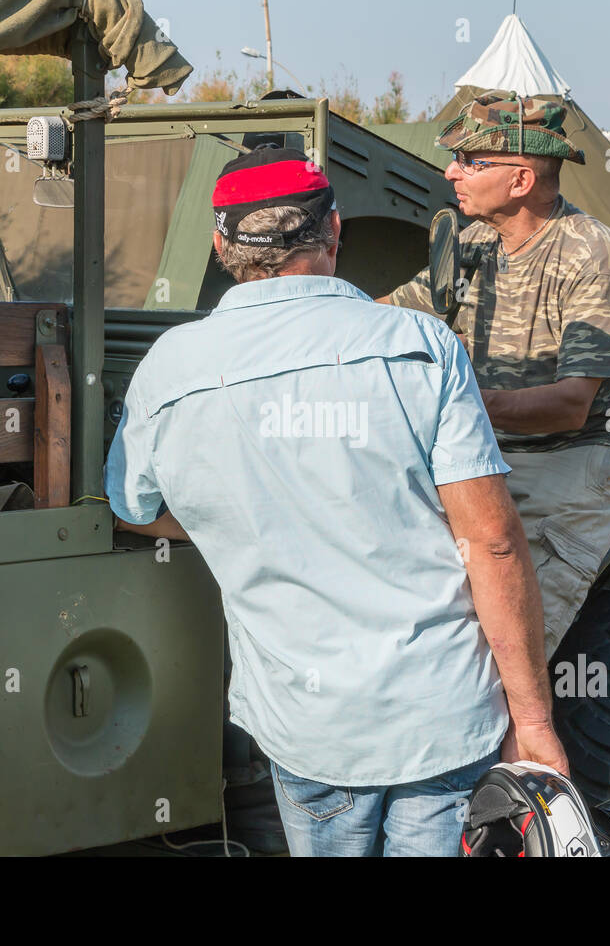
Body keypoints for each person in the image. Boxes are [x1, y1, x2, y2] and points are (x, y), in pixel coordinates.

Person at [103, 145, 568, 856]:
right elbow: (493, 541)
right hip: (439, 709)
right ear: (336, 231)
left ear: (221, 244)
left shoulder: (169, 368)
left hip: (306, 723)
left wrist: (250, 518)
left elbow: (135, 509)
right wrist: (533, 718)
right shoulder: (418, 345)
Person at [382, 92, 610, 655]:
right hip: (489, 447)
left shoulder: (589, 254)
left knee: (505, 639)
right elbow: (389, 313)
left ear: (520, 180)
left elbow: (571, 405)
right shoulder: (472, 243)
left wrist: (457, 404)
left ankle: (519, 735)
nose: (450, 171)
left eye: (470, 162)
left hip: (580, 453)